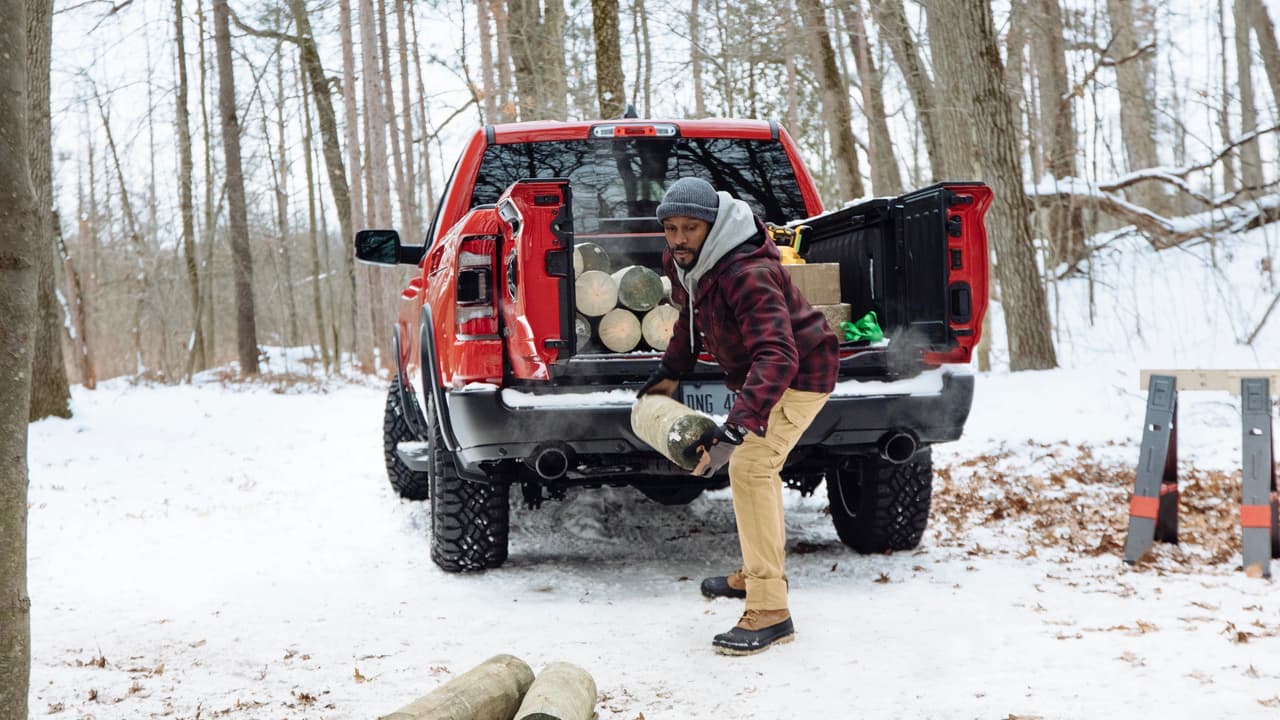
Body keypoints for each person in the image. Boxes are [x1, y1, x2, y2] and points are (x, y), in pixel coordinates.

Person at [637, 176, 838, 655]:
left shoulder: (747, 272)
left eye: (691, 228)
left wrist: (739, 426)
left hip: (802, 374)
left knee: (750, 466)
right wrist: (669, 373)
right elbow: (690, 320)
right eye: (671, 228)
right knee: (751, 467)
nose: (680, 238)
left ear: (713, 226)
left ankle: (771, 609)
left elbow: (778, 353)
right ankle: (753, 573)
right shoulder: (687, 262)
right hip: (764, 375)